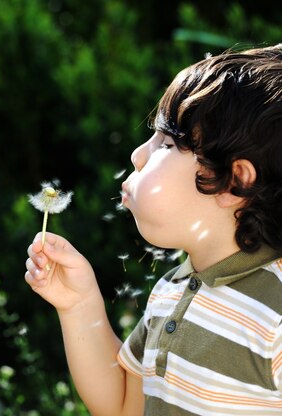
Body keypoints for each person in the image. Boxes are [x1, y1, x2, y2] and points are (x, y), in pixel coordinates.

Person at [24, 45, 282, 415]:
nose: (138, 155)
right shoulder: (173, 290)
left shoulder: (274, 315)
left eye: (168, 143)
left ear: (232, 182)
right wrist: (79, 304)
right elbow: (122, 405)